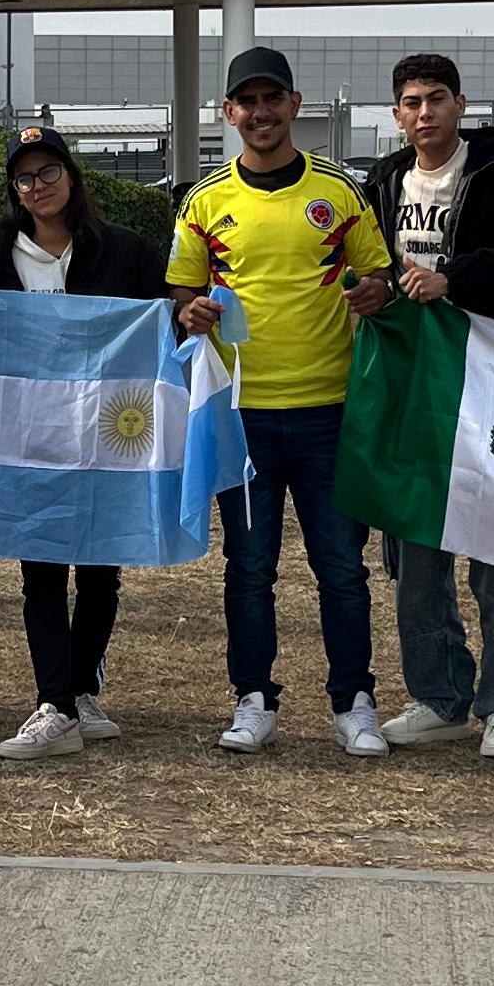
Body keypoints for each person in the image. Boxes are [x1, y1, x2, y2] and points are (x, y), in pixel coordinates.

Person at [169, 44, 396, 756]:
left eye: (274, 100)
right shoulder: (206, 200)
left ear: (297, 107)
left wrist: (371, 291)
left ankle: (353, 700)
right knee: (250, 566)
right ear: (228, 112)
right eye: (247, 102)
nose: (261, 113)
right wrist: (193, 310)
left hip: (330, 411)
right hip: (242, 418)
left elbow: (379, 276)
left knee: (341, 567)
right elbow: (182, 291)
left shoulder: (339, 190)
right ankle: (253, 697)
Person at [360, 54, 494, 757]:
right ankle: (438, 696)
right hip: (410, 382)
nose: (424, 113)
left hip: (492, 378)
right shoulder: (384, 180)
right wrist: (376, 288)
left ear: (459, 103)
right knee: (415, 547)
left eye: (436, 99)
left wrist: (455, 279)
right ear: (396, 114)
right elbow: (365, 260)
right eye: (411, 101)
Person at [0, 125, 170, 761]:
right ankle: (54, 703)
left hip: (108, 432)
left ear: (72, 176)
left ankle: (83, 689)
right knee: (40, 567)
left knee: (99, 565)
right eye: (25, 178)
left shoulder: (124, 250)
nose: (38, 187)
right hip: (28, 435)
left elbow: (160, 320)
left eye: (49, 173)